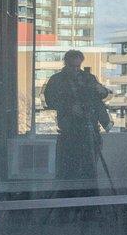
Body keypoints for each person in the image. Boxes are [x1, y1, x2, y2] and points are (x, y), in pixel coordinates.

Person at [43, 49, 113, 191]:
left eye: (77, 66)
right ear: (65, 63)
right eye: (72, 66)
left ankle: (90, 203)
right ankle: (68, 203)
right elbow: (48, 101)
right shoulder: (56, 80)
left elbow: (103, 96)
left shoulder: (88, 78)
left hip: (90, 130)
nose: (75, 70)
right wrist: (69, 107)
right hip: (69, 132)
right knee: (68, 171)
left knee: (90, 171)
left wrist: (103, 91)